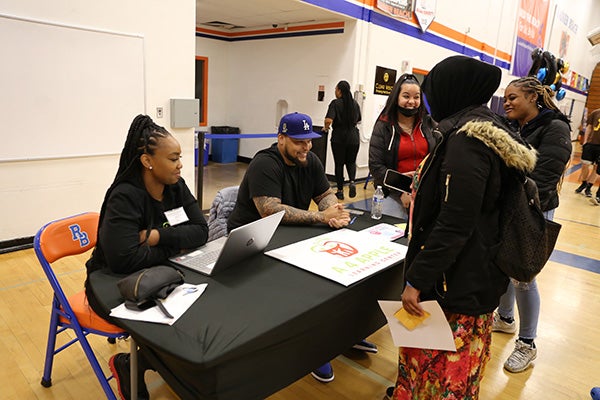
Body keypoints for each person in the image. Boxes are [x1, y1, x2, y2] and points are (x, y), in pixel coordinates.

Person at [387, 56, 537, 400]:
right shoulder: (486, 133)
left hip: (455, 283)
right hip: (475, 274)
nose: (427, 101)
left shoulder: (468, 141)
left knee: (441, 373)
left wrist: (417, 280)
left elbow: (455, 222)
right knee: (455, 369)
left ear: (451, 91)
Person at [227, 112, 376, 383]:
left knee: (337, 270)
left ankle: (346, 333)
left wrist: (334, 210)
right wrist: (322, 217)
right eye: (298, 141)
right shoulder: (264, 163)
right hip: (253, 241)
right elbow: (269, 210)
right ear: (281, 138)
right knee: (307, 287)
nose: (306, 147)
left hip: (290, 235)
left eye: (309, 140)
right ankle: (314, 349)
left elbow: (324, 194)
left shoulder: (311, 160)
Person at [84, 114, 209, 400]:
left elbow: (201, 231)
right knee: (169, 318)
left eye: (180, 157)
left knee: (199, 305)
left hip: (160, 269)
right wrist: (176, 245)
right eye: (173, 158)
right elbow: (124, 260)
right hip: (111, 283)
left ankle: (162, 364)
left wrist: (155, 237)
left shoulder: (176, 185)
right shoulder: (125, 196)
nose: (180, 165)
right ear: (148, 162)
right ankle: (129, 365)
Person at [493, 76, 572, 373]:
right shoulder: (512, 125)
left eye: (513, 97)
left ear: (533, 97)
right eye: (506, 97)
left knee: (524, 273)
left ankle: (527, 344)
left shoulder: (556, 127)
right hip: (508, 206)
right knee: (503, 265)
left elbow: (545, 177)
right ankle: (505, 319)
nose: (508, 102)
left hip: (535, 209)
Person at [368, 73, 436, 220]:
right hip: (393, 195)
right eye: (406, 96)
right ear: (396, 97)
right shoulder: (384, 126)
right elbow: (375, 166)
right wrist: (402, 190)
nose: (411, 101)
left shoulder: (428, 124)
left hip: (424, 194)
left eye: (416, 97)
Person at [323, 80, 362, 200]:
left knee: (339, 164)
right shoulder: (355, 104)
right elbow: (359, 119)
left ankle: (340, 191)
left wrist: (326, 127)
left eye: (336, 89)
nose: (335, 92)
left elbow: (329, 120)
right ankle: (352, 181)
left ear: (339, 90)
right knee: (351, 162)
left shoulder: (335, 103)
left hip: (339, 137)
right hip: (354, 137)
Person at [575, 107, 600, 201]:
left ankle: (589, 187)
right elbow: (589, 127)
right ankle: (584, 182)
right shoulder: (595, 112)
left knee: (596, 168)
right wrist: (585, 141)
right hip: (591, 143)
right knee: (585, 164)